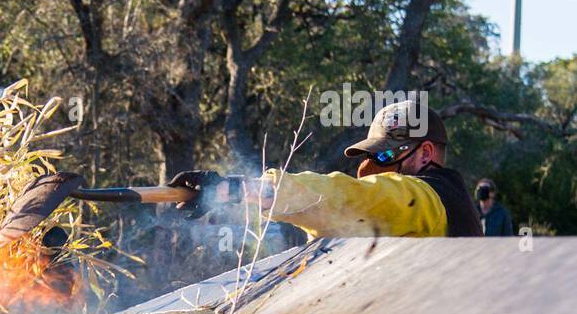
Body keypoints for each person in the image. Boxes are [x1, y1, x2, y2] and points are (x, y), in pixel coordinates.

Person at [168, 100, 482, 238]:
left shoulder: (428, 198)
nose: (371, 169)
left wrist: (233, 189)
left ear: (425, 153)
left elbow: (348, 200)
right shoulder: (442, 202)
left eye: (385, 155)